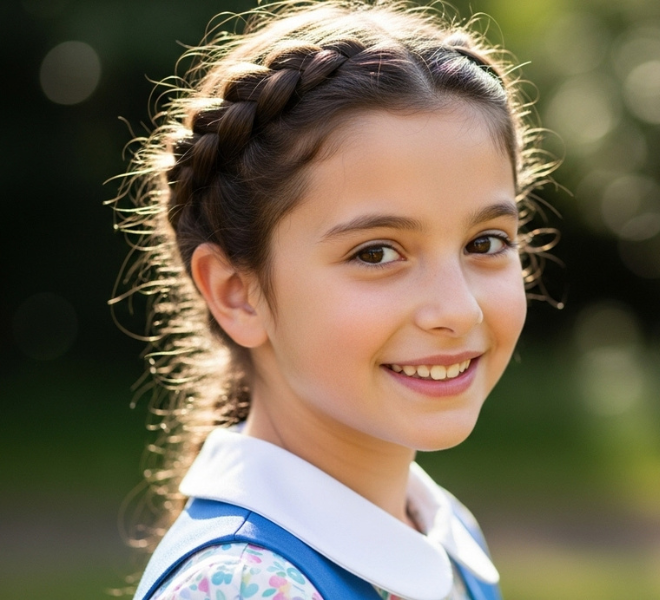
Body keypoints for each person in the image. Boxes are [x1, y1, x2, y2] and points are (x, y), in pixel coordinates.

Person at [110, 1, 555, 598]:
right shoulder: (247, 586)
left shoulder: (443, 532)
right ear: (237, 292)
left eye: (486, 242)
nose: (458, 310)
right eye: (376, 253)